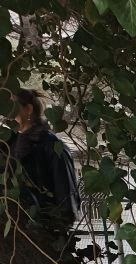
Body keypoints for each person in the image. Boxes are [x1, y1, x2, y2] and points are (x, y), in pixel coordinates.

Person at [4, 88, 80, 230]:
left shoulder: (52, 146)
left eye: (12, 106)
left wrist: (54, 229)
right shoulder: (8, 146)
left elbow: (66, 198)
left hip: (44, 231)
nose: (7, 113)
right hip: (16, 229)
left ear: (28, 109)